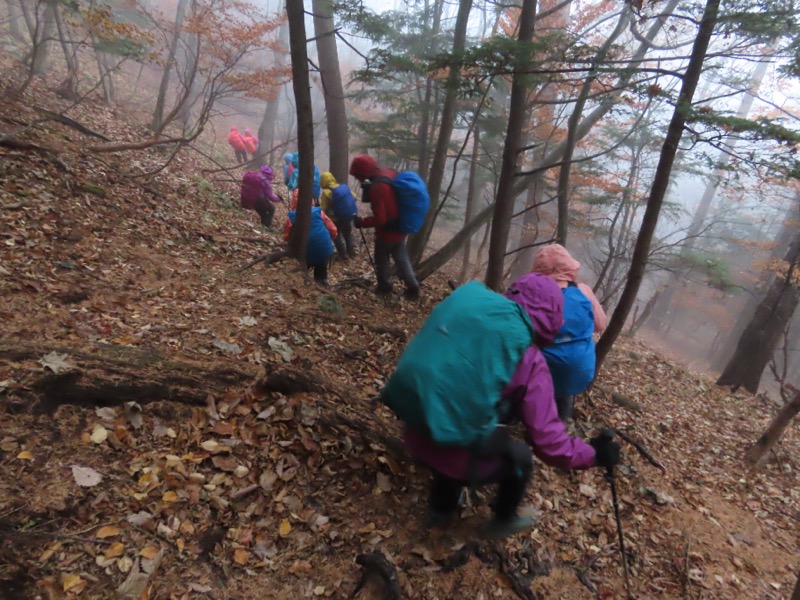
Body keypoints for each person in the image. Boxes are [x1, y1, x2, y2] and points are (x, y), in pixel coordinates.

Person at [403, 273, 621, 537]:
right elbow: (548, 442)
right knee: (520, 458)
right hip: (452, 446)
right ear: (553, 317)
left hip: (416, 428)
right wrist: (594, 455)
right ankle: (502, 519)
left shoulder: (471, 318)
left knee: (462, 426)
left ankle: (439, 513)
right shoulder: (529, 359)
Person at [531, 244, 608, 422]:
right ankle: (561, 424)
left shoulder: (533, 291)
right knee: (565, 384)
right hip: (580, 368)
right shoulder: (583, 290)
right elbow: (600, 324)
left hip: (541, 367)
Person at [348, 154, 421, 299]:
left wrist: (362, 222)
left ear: (362, 172)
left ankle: (385, 288)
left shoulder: (377, 187)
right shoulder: (388, 172)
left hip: (387, 231)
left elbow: (381, 219)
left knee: (381, 259)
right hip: (400, 226)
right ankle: (414, 288)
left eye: (357, 176)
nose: (358, 179)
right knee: (401, 258)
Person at [283, 205, 338, 286]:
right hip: (323, 249)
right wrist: (328, 239)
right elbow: (333, 230)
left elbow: (287, 237)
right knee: (321, 264)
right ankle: (321, 282)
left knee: (303, 267)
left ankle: (303, 282)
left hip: (304, 253)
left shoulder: (292, 217)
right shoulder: (319, 213)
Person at [319, 171, 357, 259]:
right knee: (347, 234)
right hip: (347, 217)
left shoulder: (326, 192)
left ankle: (342, 253)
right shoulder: (342, 187)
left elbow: (323, 207)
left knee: (336, 236)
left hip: (335, 219)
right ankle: (351, 252)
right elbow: (354, 196)